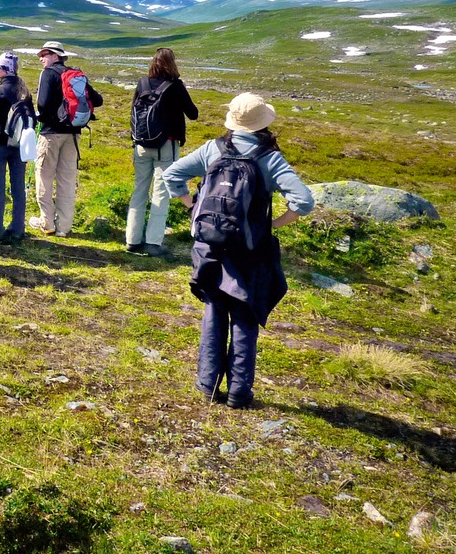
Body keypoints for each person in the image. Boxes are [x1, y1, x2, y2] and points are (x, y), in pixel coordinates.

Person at [163, 93, 314, 409]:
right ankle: (239, 394)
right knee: (245, 317)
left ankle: (207, 386)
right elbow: (303, 201)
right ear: (262, 125)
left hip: (209, 248)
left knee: (213, 312)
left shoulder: (212, 150)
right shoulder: (269, 158)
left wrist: (191, 205)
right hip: (250, 251)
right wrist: (274, 224)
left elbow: (172, 174)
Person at [125, 47, 199, 256]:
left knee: (139, 190)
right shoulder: (175, 86)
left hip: (141, 144)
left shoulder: (143, 83)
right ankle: (153, 242)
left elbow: (133, 110)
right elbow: (193, 114)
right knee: (161, 192)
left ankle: (132, 239)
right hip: (166, 145)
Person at [31, 41, 103, 237]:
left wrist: (42, 118)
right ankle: (64, 226)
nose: (41, 58)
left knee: (44, 176)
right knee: (66, 180)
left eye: (44, 54)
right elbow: (98, 100)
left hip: (51, 134)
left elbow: (43, 104)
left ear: (55, 55)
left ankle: (47, 222)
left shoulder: (48, 74)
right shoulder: (76, 75)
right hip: (73, 134)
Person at [0, 51, 31, 245]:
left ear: (5, 70)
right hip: (19, 146)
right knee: (18, 188)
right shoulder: (24, 91)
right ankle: (18, 228)